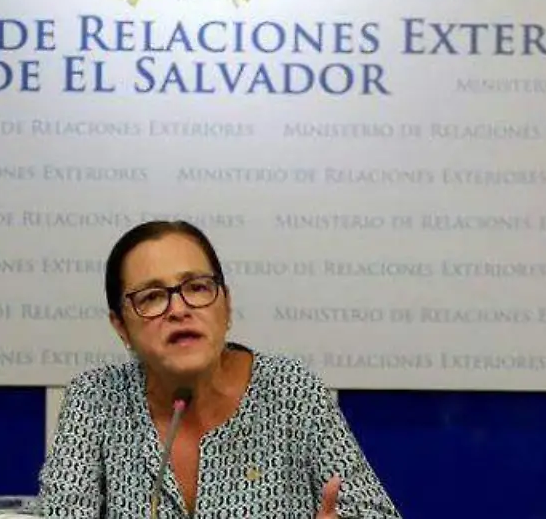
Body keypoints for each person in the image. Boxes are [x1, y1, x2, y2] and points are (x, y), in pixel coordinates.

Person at [38, 220, 401, 518]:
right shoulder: (95, 400)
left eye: (197, 287)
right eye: (152, 296)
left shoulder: (291, 390)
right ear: (121, 327)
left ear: (226, 306)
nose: (179, 309)